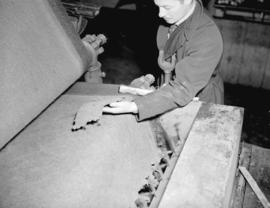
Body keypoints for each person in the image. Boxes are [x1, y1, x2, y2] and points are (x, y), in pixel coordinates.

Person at [103, 0, 224, 121]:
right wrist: (151, 82)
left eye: (167, 7)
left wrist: (137, 106)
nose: (160, 14)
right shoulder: (176, 17)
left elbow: (183, 88)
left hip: (199, 97)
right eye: (158, 6)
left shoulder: (207, 36)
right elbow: (168, 57)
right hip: (170, 90)